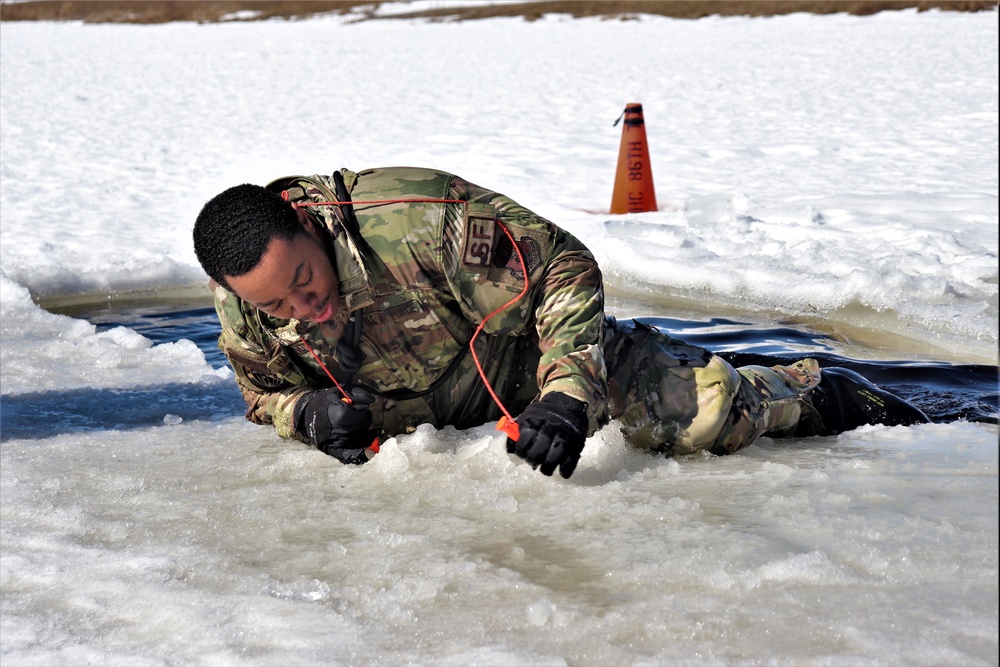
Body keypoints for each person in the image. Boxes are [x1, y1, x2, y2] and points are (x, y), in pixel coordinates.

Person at [192, 166, 927, 479]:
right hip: (422, 418)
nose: (303, 309)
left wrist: (567, 393)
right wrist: (307, 414)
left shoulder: (414, 220)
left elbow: (563, 267)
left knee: (707, 416)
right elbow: (263, 394)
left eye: (305, 283)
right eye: (278, 306)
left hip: (529, 366)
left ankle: (811, 387)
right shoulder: (245, 304)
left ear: (305, 226)